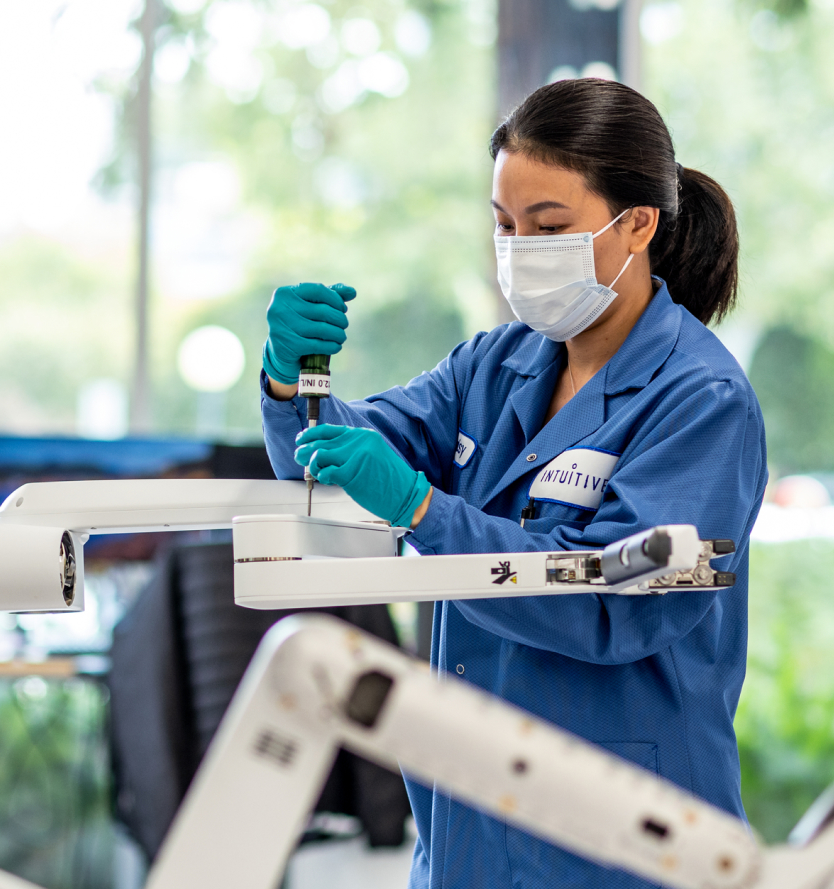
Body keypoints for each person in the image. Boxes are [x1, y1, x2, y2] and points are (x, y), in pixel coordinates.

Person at [257, 77, 766, 887]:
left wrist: (424, 510)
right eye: (505, 224)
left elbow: (615, 608)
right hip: (467, 831)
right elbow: (335, 465)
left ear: (638, 224)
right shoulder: (493, 366)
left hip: (621, 839)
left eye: (549, 226)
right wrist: (294, 384)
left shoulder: (700, 398)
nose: (521, 249)